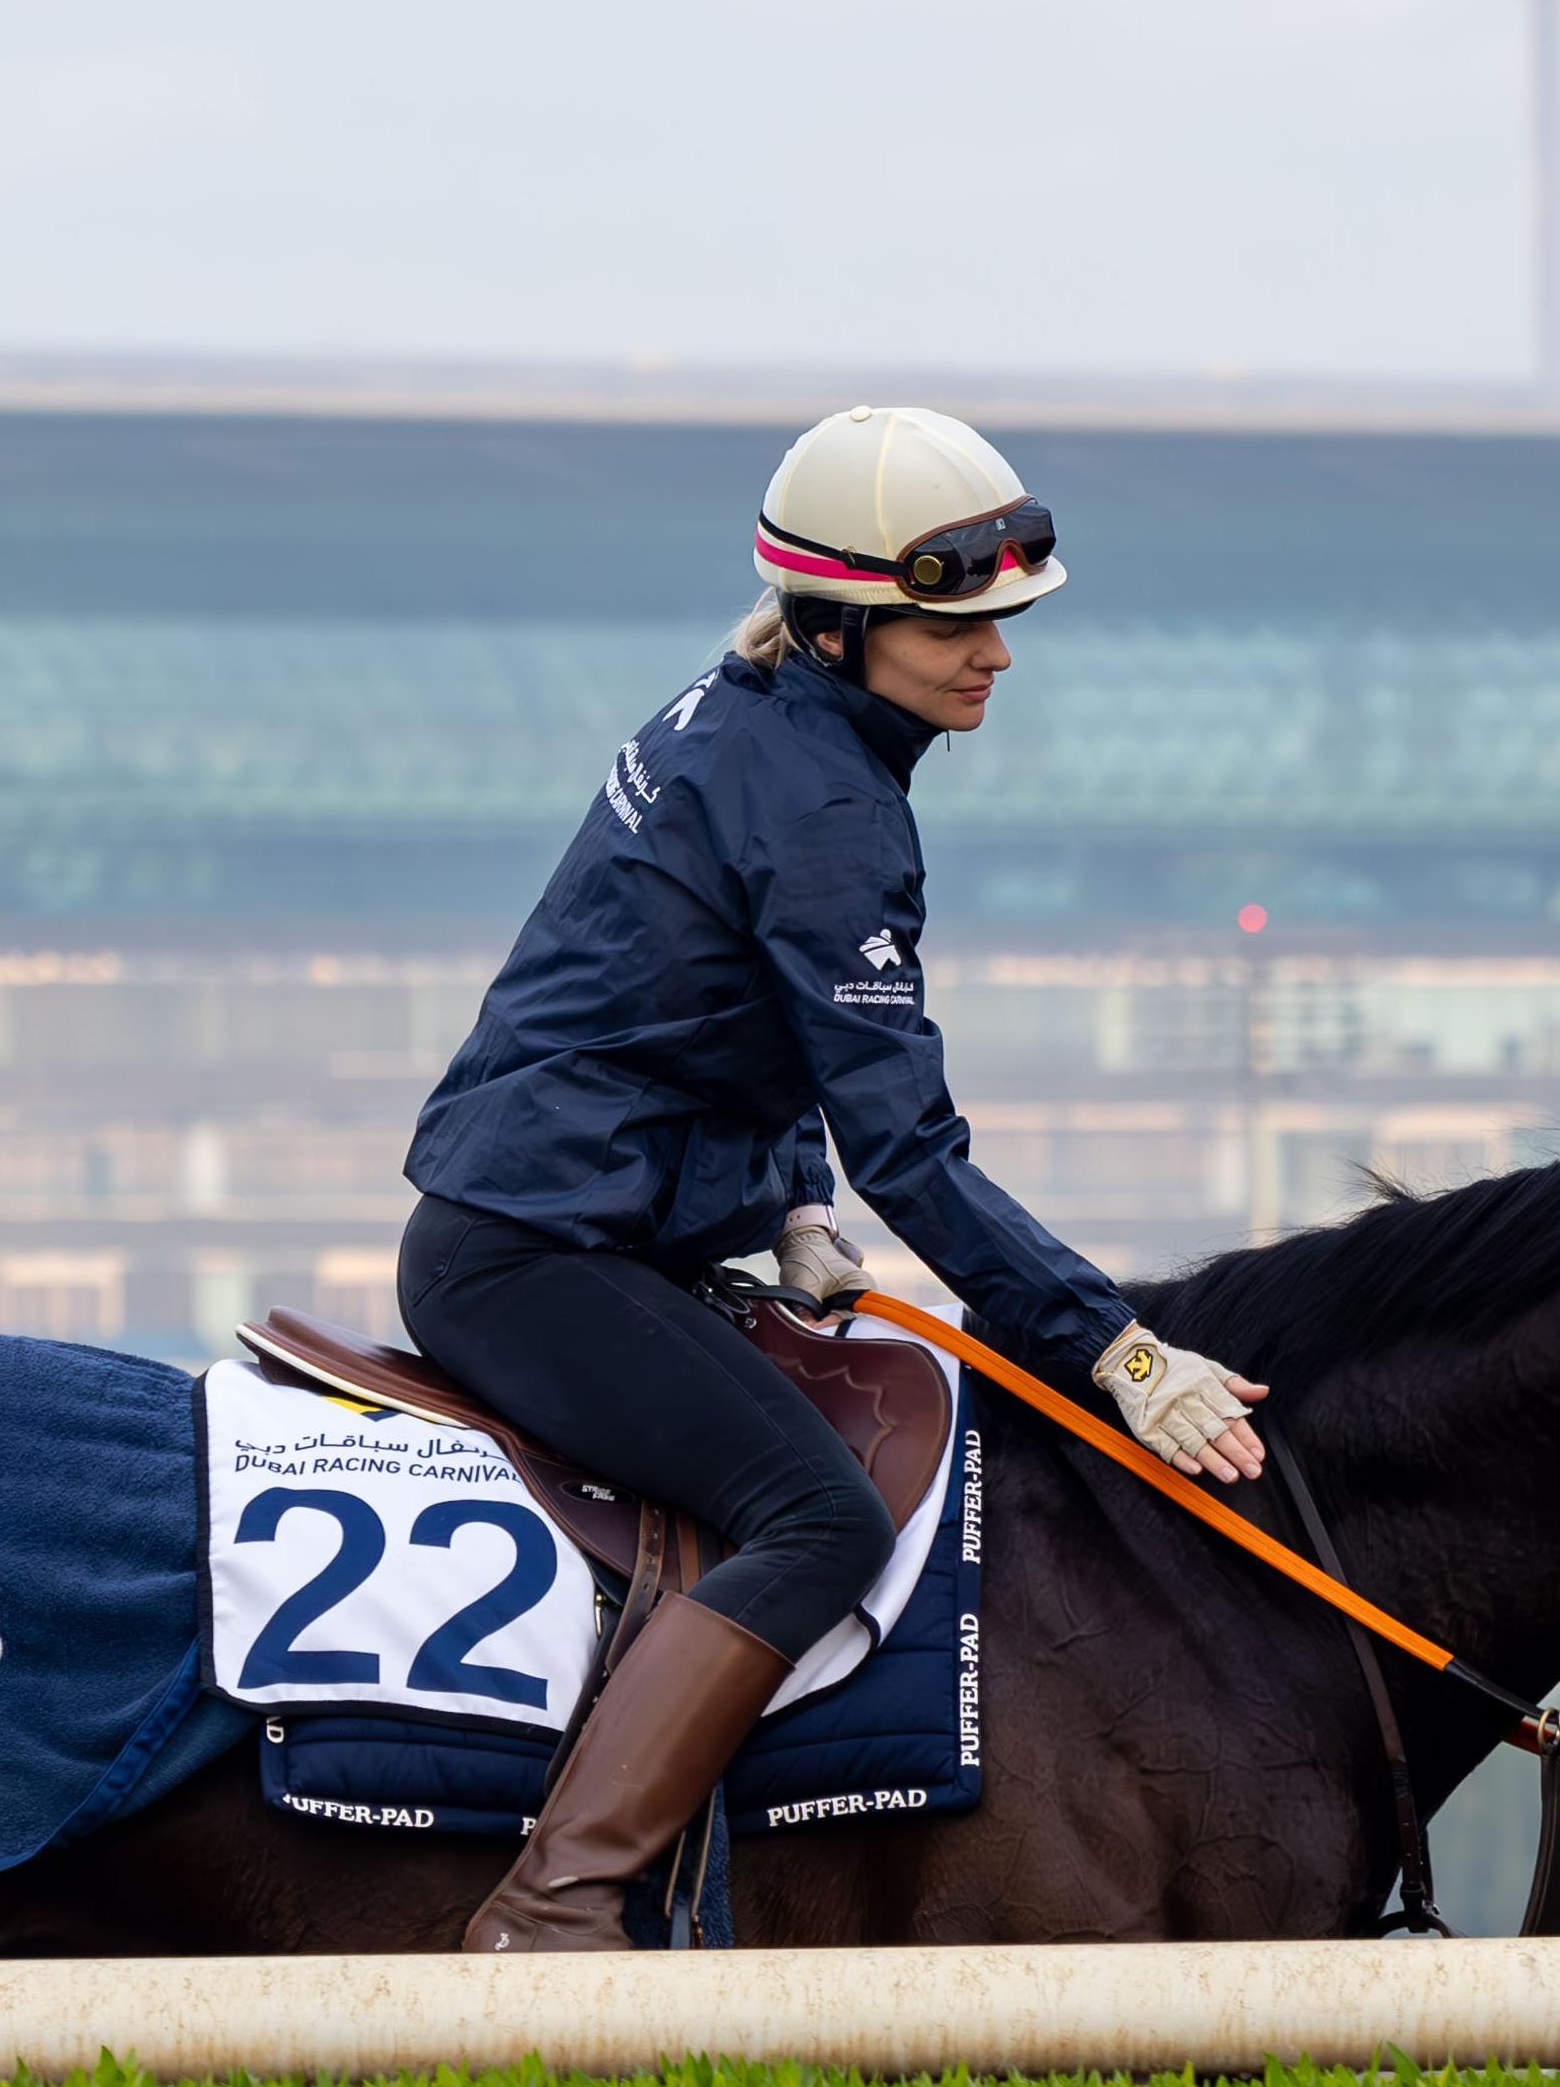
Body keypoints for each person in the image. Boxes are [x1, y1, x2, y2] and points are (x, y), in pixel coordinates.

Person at [400, 404, 1269, 1953]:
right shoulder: (827, 807)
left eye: (1005, 623)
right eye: (954, 630)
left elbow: (728, 1007)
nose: (995, 656)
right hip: (539, 1257)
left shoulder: (747, 714)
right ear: (835, 624)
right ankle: (557, 1906)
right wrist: (1118, 1352)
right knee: (819, 1520)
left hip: (562, 1222)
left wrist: (795, 1194)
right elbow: (912, 1150)